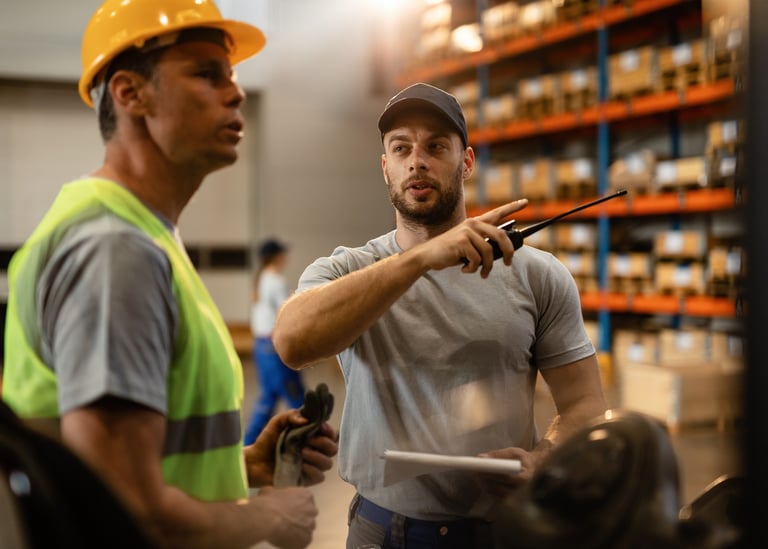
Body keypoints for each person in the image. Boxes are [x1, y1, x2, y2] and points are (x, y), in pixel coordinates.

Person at [1, 1, 337, 548]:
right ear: (130, 94)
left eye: (232, 75)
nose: (237, 92)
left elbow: (139, 462)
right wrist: (270, 519)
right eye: (207, 74)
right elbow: (127, 509)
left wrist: (245, 465)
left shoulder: (142, 234)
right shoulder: (115, 251)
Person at [272, 82, 608, 548]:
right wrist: (422, 259)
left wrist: (544, 459)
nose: (417, 160)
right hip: (380, 532)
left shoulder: (537, 275)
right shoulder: (345, 271)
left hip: (501, 532)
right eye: (401, 148)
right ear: (385, 165)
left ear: (465, 161)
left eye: (436, 146)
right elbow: (291, 342)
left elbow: (585, 402)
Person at [244, 238, 306, 445]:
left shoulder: (261, 278)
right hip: (273, 345)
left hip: (261, 345)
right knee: (295, 396)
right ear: (277, 256)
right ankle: (307, 439)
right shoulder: (275, 280)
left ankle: (249, 443)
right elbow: (285, 312)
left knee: (268, 397)